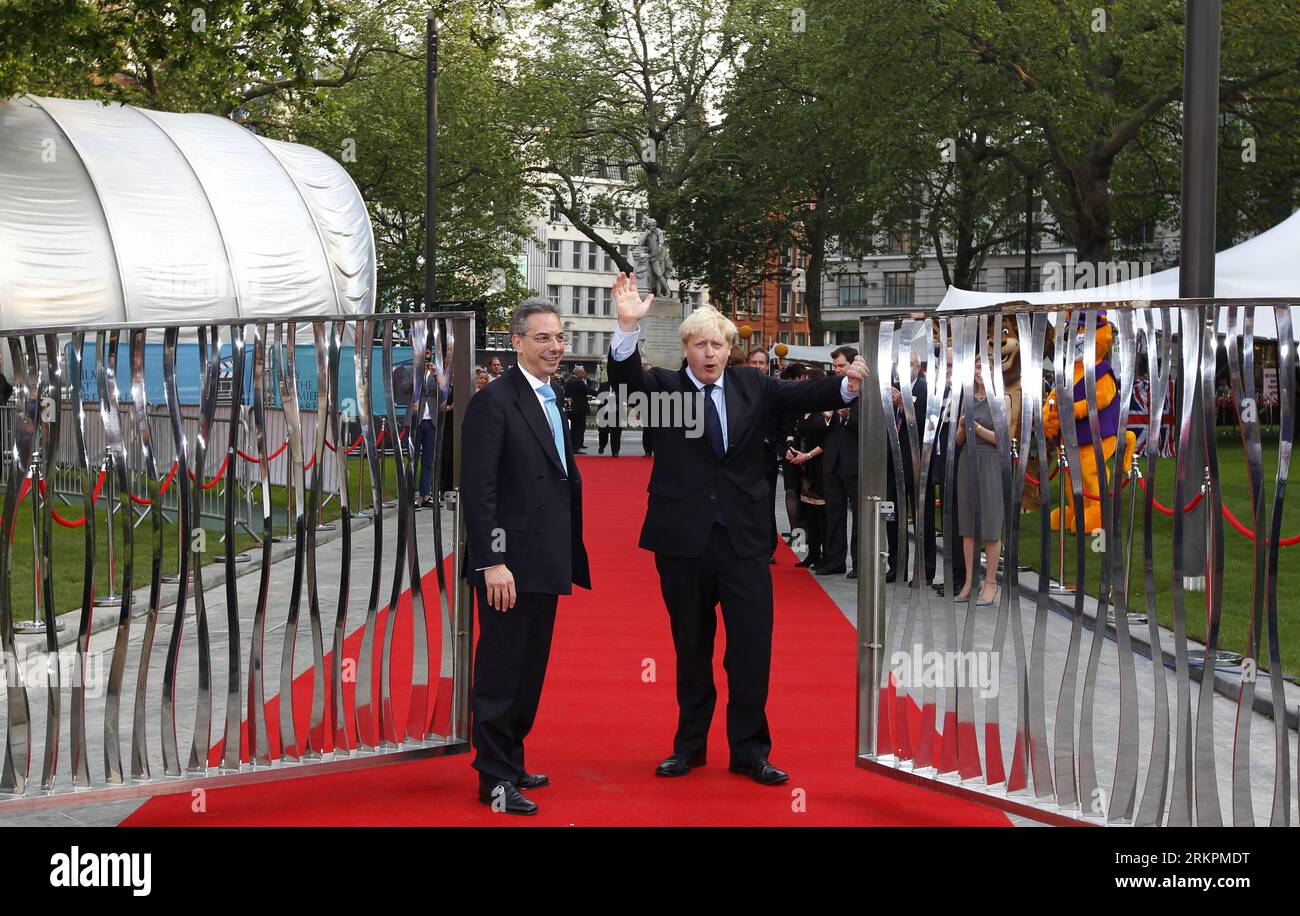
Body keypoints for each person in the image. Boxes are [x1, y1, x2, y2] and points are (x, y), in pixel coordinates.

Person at [605, 272, 869, 786]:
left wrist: (846, 383)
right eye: (700, 344)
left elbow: (805, 393)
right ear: (686, 349)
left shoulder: (755, 386)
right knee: (691, 646)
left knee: (751, 646)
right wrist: (626, 328)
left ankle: (750, 750)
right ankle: (689, 746)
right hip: (683, 541)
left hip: (744, 540)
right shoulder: (667, 389)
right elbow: (624, 385)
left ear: (730, 349)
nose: (709, 353)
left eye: (718, 344)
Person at [460, 297, 592, 815]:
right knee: (500, 669)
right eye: (543, 338)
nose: (555, 347)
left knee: (530, 669)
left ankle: (511, 760)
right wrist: (493, 561)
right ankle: (492, 776)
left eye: (559, 337)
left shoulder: (551, 393)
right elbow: (479, 490)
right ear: (516, 343)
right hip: (507, 564)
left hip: (545, 554)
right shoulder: (494, 402)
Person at [954, 356, 1007, 606]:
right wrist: (965, 428)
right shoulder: (966, 399)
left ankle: (990, 582)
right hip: (968, 461)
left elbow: (1002, 440)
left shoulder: (1002, 399)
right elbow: (958, 440)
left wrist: (977, 428)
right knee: (968, 525)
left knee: (990, 525)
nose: (979, 371)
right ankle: (969, 581)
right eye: (976, 367)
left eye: (984, 367)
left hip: (990, 464)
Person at [819, 346, 860, 578]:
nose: (837, 370)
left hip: (854, 461)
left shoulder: (866, 389)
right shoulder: (834, 389)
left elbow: (871, 424)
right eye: (835, 366)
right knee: (833, 513)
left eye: (841, 366)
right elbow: (827, 425)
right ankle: (835, 559)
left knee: (858, 515)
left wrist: (849, 416)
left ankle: (858, 562)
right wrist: (829, 417)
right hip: (833, 460)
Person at [748, 347, 780, 562]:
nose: (758, 366)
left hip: (766, 455)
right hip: (744, 456)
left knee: (766, 501)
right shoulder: (739, 387)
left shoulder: (774, 388)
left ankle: (768, 547)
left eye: (762, 363)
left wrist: (773, 441)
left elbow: (784, 419)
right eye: (754, 362)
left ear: (767, 365)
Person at [563, 365, 596, 453]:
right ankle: (576, 447)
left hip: (571, 409)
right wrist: (601, 393)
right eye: (583, 372)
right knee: (579, 428)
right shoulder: (578, 382)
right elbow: (589, 390)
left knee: (574, 428)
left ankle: (575, 445)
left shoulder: (569, 381)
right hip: (579, 409)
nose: (584, 373)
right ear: (579, 373)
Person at [595, 373, 623, 456]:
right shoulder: (604, 385)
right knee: (603, 432)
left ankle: (615, 451)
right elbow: (598, 396)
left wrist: (614, 397)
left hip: (616, 412)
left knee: (616, 432)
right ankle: (602, 446)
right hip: (604, 412)